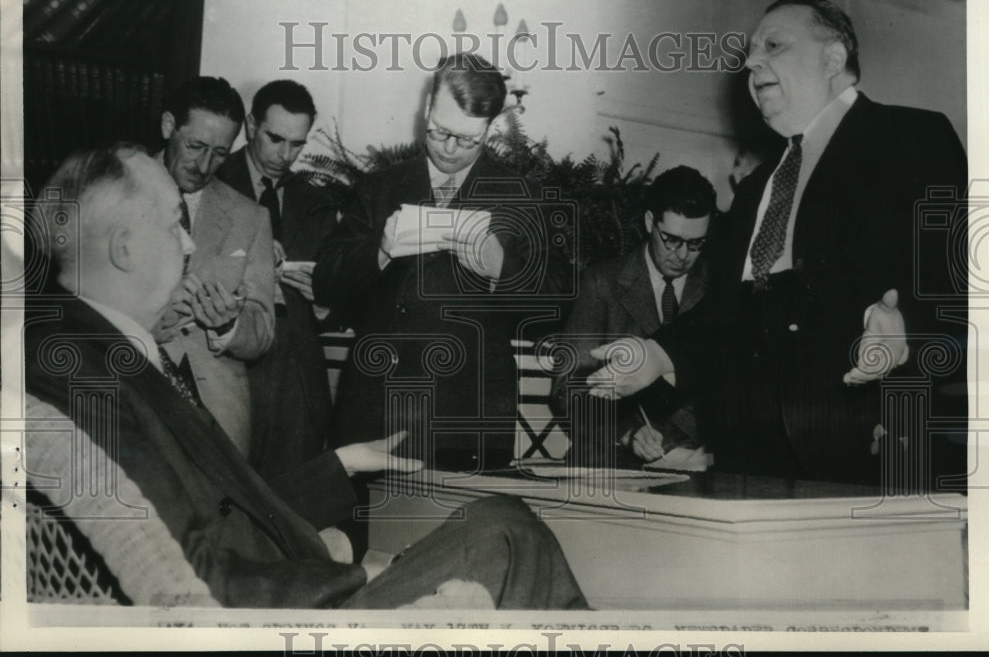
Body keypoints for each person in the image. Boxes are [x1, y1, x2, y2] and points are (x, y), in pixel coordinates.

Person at [25, 143, 588, 610]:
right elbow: (195, 579)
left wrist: (340, 465)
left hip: (282, 578)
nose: (192, 242)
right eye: (177, 222)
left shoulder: (95, 349)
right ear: (125, 249)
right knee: (508, 535)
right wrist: (354, 577)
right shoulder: (81, 373)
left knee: (502, 525)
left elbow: (216, 508)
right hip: (279, 617)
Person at [587, 0, 967, 488]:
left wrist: (906, 327)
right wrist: (658, 355)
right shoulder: (758, 187)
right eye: (749, 52)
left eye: (774, 46)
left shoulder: (911, 136)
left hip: (861, 446)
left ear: (832, 59)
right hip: (747, 454)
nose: (750, 62)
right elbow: (731, 306)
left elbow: (960, 275)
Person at [314, 52, 568, 472]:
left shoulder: (520, 193)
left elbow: (558, 299)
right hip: (377, 407)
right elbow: (326, 280)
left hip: (468, 416)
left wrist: (500, 267)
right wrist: (378, 249)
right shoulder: (380, 187)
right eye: (440, 132)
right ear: (426, 108)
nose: (450, 149)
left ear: (490, 128)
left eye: (468, 140)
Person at [553, 166, 715, 465]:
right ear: (649, 222)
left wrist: (691, 443)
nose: (682, 256)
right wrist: (628, 433)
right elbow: (569, 389)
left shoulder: (719, 287)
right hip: (614, 455)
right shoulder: (602, 282)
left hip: (700, 457)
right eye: (672, 240)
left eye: (696, 244)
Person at [216, 80, 338, 475]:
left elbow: (337, 306)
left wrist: (325, 304)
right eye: (275, 139)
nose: (285, 156)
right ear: (251, 125)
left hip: (297, 388)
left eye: (297, 144)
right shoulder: (211, 178)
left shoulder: (316, 204)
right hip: (229, 376)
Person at [153, 76, 274, 455]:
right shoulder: (113, 191)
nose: (205, 165)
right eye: (196, 146)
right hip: (130, 399)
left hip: (218, 421)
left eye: (220, 153)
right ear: (169, 126)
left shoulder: (249, 216)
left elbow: (263, 330)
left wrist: (229, 326)